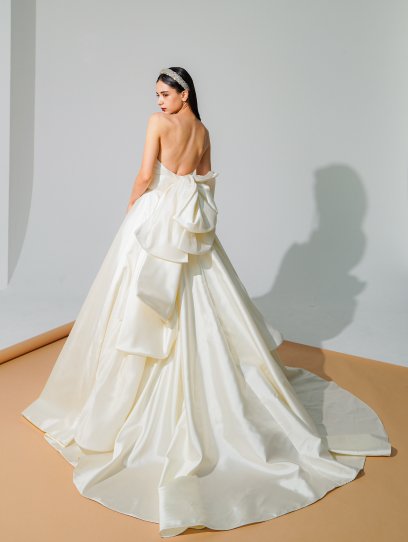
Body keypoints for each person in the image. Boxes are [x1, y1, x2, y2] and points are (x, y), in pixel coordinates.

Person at [21, 67, 391, 538]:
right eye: (156, 95)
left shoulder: (158, 124)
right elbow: (204, 180)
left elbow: (144, 174)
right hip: (190, 222)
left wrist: (133, 209)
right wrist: (194, 218)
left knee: (140, 305)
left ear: (184, 93)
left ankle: (129, 408)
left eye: (164, 93)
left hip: (156, 219)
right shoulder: (204, 131)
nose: (159, 101)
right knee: (203, 303)